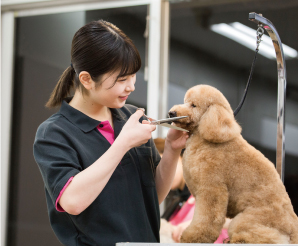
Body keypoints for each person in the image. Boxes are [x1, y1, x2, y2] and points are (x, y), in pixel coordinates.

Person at [33, 20, 188, 246]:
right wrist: (122, 144)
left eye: (133, 75)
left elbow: (152, 197)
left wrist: (173, 150)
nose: (131, 86)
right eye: (122, 79)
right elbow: (73, 202)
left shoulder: (133, 117)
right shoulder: (54, 133)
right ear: (86, 79)